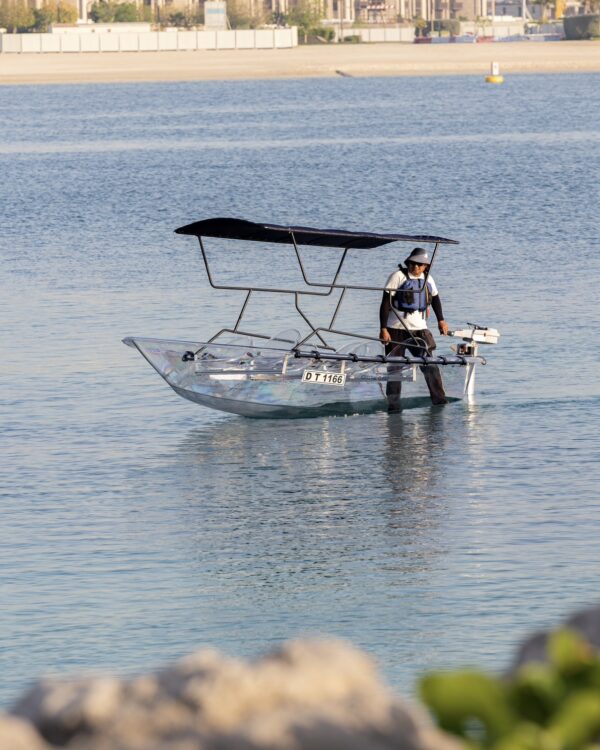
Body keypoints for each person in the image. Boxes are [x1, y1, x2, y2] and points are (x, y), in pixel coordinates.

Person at [379, 247, 449, 410]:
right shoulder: (397, 276)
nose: (415, 267)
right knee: (395, 368)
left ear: (426, 266)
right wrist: (383, 329)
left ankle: (439, 402)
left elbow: (436, 300)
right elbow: (384, 303)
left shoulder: (428, 279)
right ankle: (394, 406)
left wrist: (441, 320)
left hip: (420, 329)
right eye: (412, 264)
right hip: (395, 328)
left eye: (419, 265)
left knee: (430, 366)